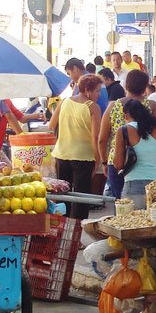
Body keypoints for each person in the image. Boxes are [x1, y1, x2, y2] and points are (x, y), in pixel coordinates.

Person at [98, 69, 156, 199]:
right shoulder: (152, 106)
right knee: (148, 203)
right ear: (145, 87)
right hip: (147, 162)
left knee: (121, 204)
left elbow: (102, 139)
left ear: (126, 86)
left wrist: (104, 162)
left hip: (117, 161)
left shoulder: (113, 107)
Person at [50, 73, 103, 220]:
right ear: (88, 90)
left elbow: (51, 125)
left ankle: (61, 231)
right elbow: (95, 136)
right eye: (97, 90)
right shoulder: (93, 107)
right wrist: (98, 159)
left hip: (61, 155)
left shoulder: (65, 101)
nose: (99, 94)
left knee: (62, 196)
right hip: (83, 157)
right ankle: (76, 232)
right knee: (81, 198)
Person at [0, 98, 44, 170]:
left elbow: (22, 118)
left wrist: (38, 115)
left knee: (1, 173)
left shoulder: (7, 101)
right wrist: (22, 137)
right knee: (5, 174)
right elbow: (9, 116)